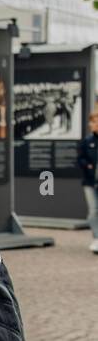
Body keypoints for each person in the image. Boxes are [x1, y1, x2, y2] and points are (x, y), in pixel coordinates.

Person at [80, 108, 98, 253]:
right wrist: (87, 164)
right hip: (90, 182)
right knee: (93, 211)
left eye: (94, 121)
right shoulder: (87, 141)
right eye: (91, 121)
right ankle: (97, 237)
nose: (91, 124)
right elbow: (80, 158)